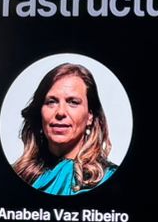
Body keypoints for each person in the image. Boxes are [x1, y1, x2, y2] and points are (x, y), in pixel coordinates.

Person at [14, 61, 116, 195]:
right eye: (51, 102)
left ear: (90, 116)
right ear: (40, 112)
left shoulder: (109, 177)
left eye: (73, 102)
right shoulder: (18, 174)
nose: (60, 112)